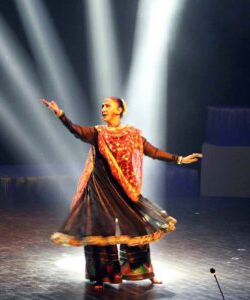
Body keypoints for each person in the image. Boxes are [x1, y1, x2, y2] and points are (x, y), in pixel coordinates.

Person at [41, 97, 202, 290]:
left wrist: (180, 159)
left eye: (107, 105)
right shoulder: (97, 133)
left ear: (119, 110)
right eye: (102, 106)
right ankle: (100, 277)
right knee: (101, 233)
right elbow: (76, 130)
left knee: (136, 228)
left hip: (125, 190)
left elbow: (153, 151)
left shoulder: (132, 135)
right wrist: (60, 114)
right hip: (100, 190)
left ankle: (145, 273)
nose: (103, 109)